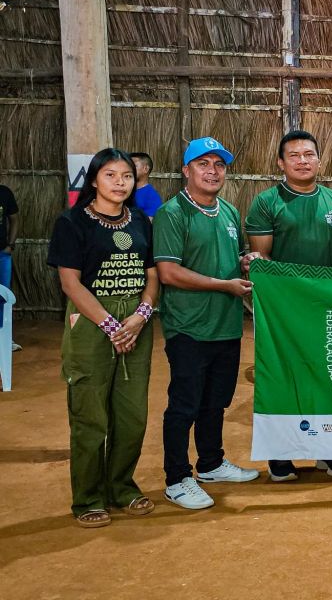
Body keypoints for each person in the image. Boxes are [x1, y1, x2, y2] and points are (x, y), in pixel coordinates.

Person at [46, 148, 159, 528]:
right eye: (110, 175)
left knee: (132, 416)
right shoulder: (72, 222)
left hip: (137, 325)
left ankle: (122, 487)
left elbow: (152, 274)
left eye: (126, 176)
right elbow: (70, 283)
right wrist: (112, 327)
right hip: (92, 326)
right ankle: (88, 497)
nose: (120, 183)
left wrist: (141, 316)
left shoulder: (140, 220)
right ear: (94, 179)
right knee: (90, 416)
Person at [153, 137, 259, 510]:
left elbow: (233, 257)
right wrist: (224, 285)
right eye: (203, 164)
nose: (212, 171)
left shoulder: (228, 211)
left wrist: (245, 262)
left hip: (226, 325)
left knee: (216, 401)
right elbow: (168, 272)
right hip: (189, 327)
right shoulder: (172, 213)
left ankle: (211, 463)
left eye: (219, 164)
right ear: (186, 170)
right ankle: (177, 478)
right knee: (184, 405)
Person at [245, 129, 332, 482]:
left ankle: (329, 451)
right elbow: (262, 261)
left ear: (319, 161)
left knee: (328, 377)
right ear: (281, 163)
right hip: (283, 312)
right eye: (294, 155)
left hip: (326, 309)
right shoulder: (266, 202)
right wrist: (291, 297)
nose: (302, 161)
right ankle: (280, 456)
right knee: (283, 379)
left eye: (309, 155)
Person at [0, 183, 20, 350]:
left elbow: (14, 219)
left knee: (4, 296)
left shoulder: (4, 193)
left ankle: (4, 337)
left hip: (2, 254)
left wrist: (10, 245)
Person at [128, 152, 162, 219]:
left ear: (146, 169)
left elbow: (148, 223)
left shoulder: (152, 197)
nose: (129, 169)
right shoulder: (123, 191)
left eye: (134, 166)